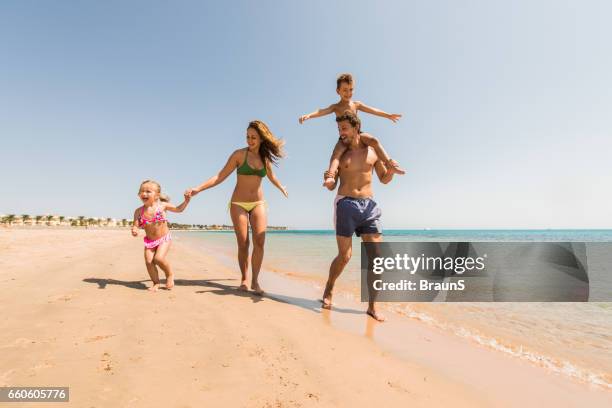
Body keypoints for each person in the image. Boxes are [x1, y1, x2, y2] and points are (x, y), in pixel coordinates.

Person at [185, 120, 287, 295]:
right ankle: (244, 279)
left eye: (253, 137)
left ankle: (255, 281)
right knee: (243, 243)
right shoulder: (239, 155)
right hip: (238, 203)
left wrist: (281, 187)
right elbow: (220, 176)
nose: (249, 140)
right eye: (247, 136)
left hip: (258, 203)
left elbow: (272, 176)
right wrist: (198, 188)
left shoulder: (265, 158)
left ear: (262, 138)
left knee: (260, 241)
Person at [322, 111, 398, 321]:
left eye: (344, 129)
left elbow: (383, 179)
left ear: (356, 128)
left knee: (376, 259)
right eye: (339, 129)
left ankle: (372, 306)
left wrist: (391, 170)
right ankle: (329, 288)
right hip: (345, 203)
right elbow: (332, 182)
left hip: (369, 207)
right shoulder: (341, 152)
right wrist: (329, 179)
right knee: (345, 257)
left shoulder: (373, 152)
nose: (341, 133)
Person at [298, 73, 405, 188]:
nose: (348, 93)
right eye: (345, 90)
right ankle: (330, 176)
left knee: (374, 140)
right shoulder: (336, 107)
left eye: (351, 90)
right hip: (344, 138)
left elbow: (372, 110)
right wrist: (309, 115)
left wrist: (387, 115)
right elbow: (321, 111)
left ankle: (389, 164)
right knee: (336, 154)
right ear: (337, 91)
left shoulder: (356, 104)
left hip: (358, 134)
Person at [131, 180, 191, 291]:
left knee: (158, 258)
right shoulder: (138, 211)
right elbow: (136, 225)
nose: (144, 193)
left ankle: (169, 275)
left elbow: (179, 209)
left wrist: (186, 201)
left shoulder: (162, 206)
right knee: (149, 261)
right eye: (142, 191)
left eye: (148, 191)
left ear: (157, 195)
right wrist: (134, 230)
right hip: (150, 241)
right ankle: (156, 283)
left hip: (164, 239)